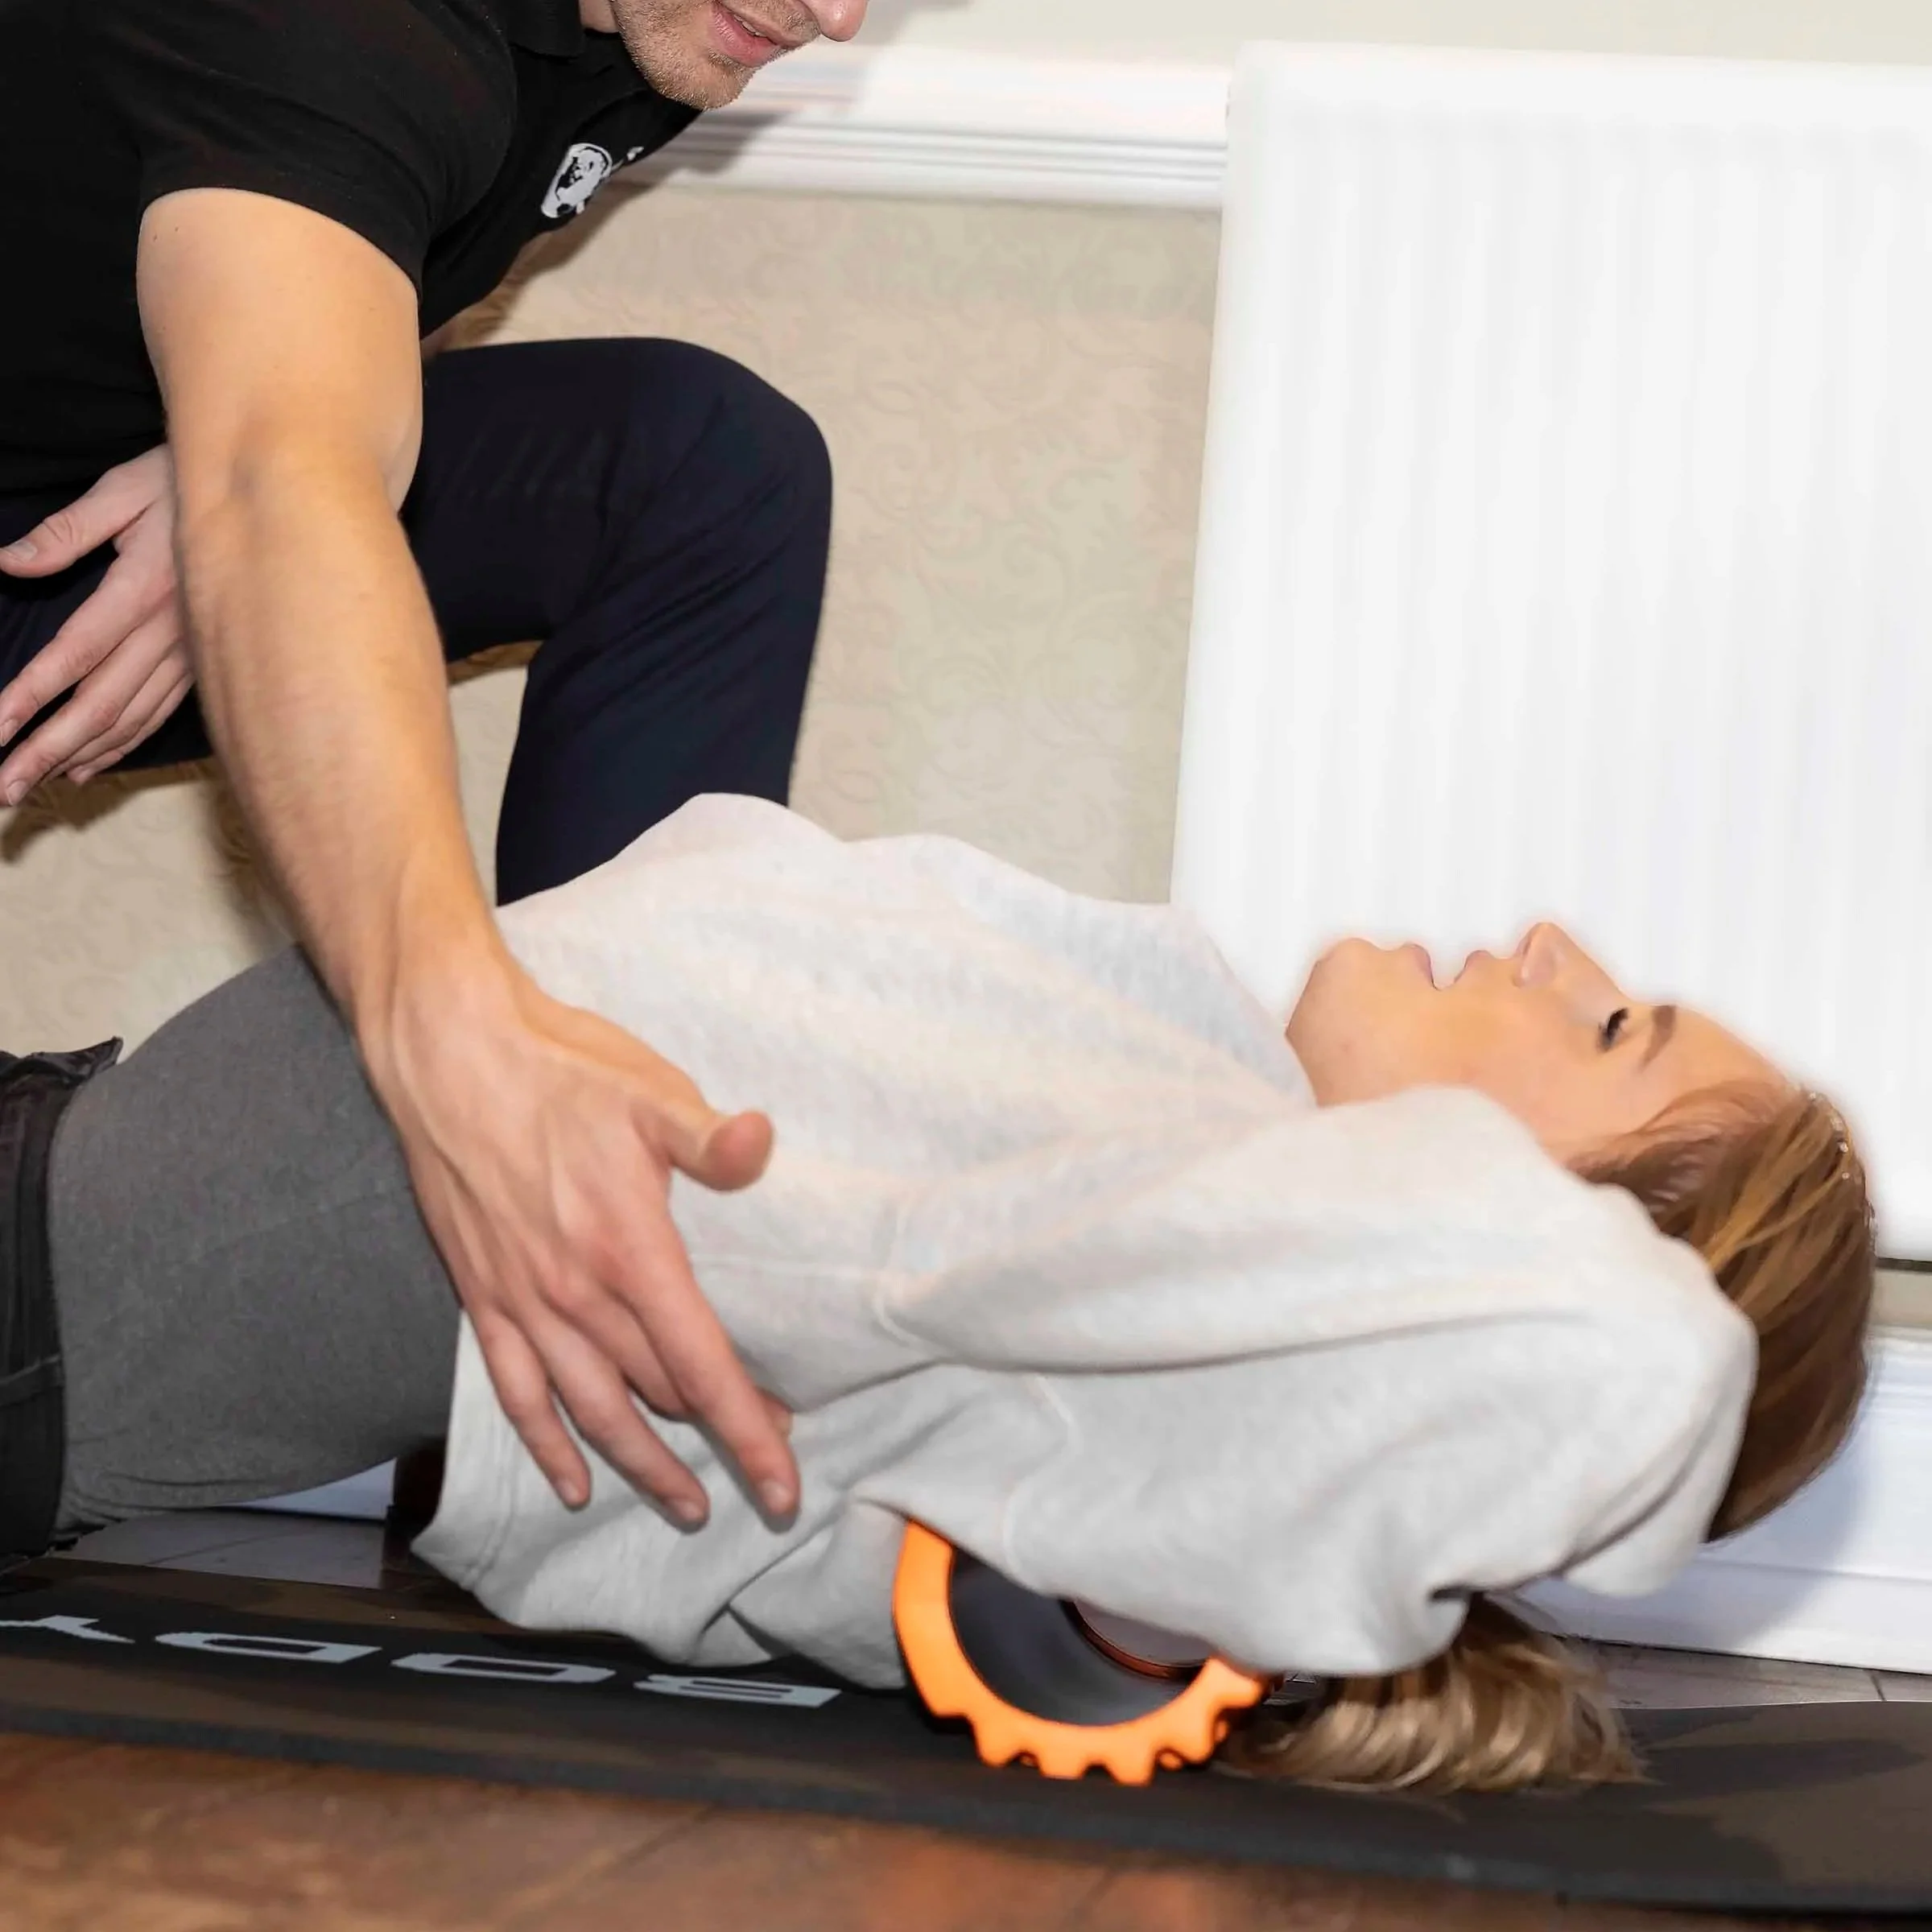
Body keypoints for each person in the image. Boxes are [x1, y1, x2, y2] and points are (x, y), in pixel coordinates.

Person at [6, 796, 1876, 1793]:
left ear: (1525, 1237)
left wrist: (1633, 1357)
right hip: (75, 1138)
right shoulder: (1169, 1121)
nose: (1554, 949)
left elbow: (1608, 1354)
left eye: (1611, 1027)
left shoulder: (1141, 1416)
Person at [0, 0, 877, 1537]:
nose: (835, 12)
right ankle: (514, 1181)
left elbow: (324, 279)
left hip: (58, 524)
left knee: (697, 465)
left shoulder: (658, 20)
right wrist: (450, 1031)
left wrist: (221, 434)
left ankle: (589, 1324)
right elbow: (291, 482)